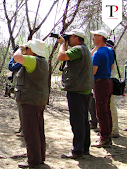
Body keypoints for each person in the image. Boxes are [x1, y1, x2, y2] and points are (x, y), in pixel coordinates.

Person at [57, 29, 94, 159]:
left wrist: (62, 44)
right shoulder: (85, 49)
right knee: (84, 121)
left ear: (76, 38)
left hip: (77, 91)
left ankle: (77, 151)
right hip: (84, 90)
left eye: (70, 37)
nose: (68, 40)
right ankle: (84, 148)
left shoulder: (78, 50)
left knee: (77, 121)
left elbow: (61, 56)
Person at [12, 38, 49, 168]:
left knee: (30, 131)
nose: (25, 50)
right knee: (38, 130)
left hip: (30, 101)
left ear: (32, 50)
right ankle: (39, 157)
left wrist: (20, 48)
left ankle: (33, 160)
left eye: (28, 48)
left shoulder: (33, 60)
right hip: (38, 100)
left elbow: (16, 57)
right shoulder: (42, 61)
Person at [90, 30, 115, 148]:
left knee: (101, 111)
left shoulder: (98, 54)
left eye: (95, 36)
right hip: (108, 81)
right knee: (107, 109)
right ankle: (107, 135)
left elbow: (93, 72)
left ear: (100, 37)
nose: (93, 38)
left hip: (100, 83)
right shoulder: (110, 51)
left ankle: (105, 138)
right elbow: (112, 66)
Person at [8, 55, 24, 137]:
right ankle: (22, 128)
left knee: (23, 111)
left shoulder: (23, 61)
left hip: (22, 91)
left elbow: (10, 66)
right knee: (21, 111)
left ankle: (24, 130)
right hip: (19, 90)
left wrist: (13, 57)